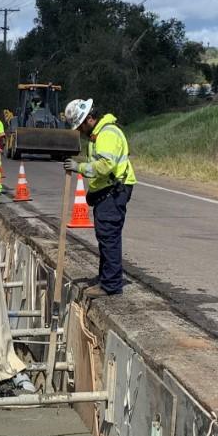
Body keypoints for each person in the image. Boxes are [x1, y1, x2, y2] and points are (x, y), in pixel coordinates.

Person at [63, 98, 136, 297]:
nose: (79, 131)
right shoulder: (99, 135)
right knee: (105, 236)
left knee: (109, 237)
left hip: (114, 190)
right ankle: (106, 277)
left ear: (89, 119)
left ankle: (111, 284)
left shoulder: (106, 134)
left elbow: (105, 166)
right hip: (108, 191)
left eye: (80, 126)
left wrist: (78, 167)